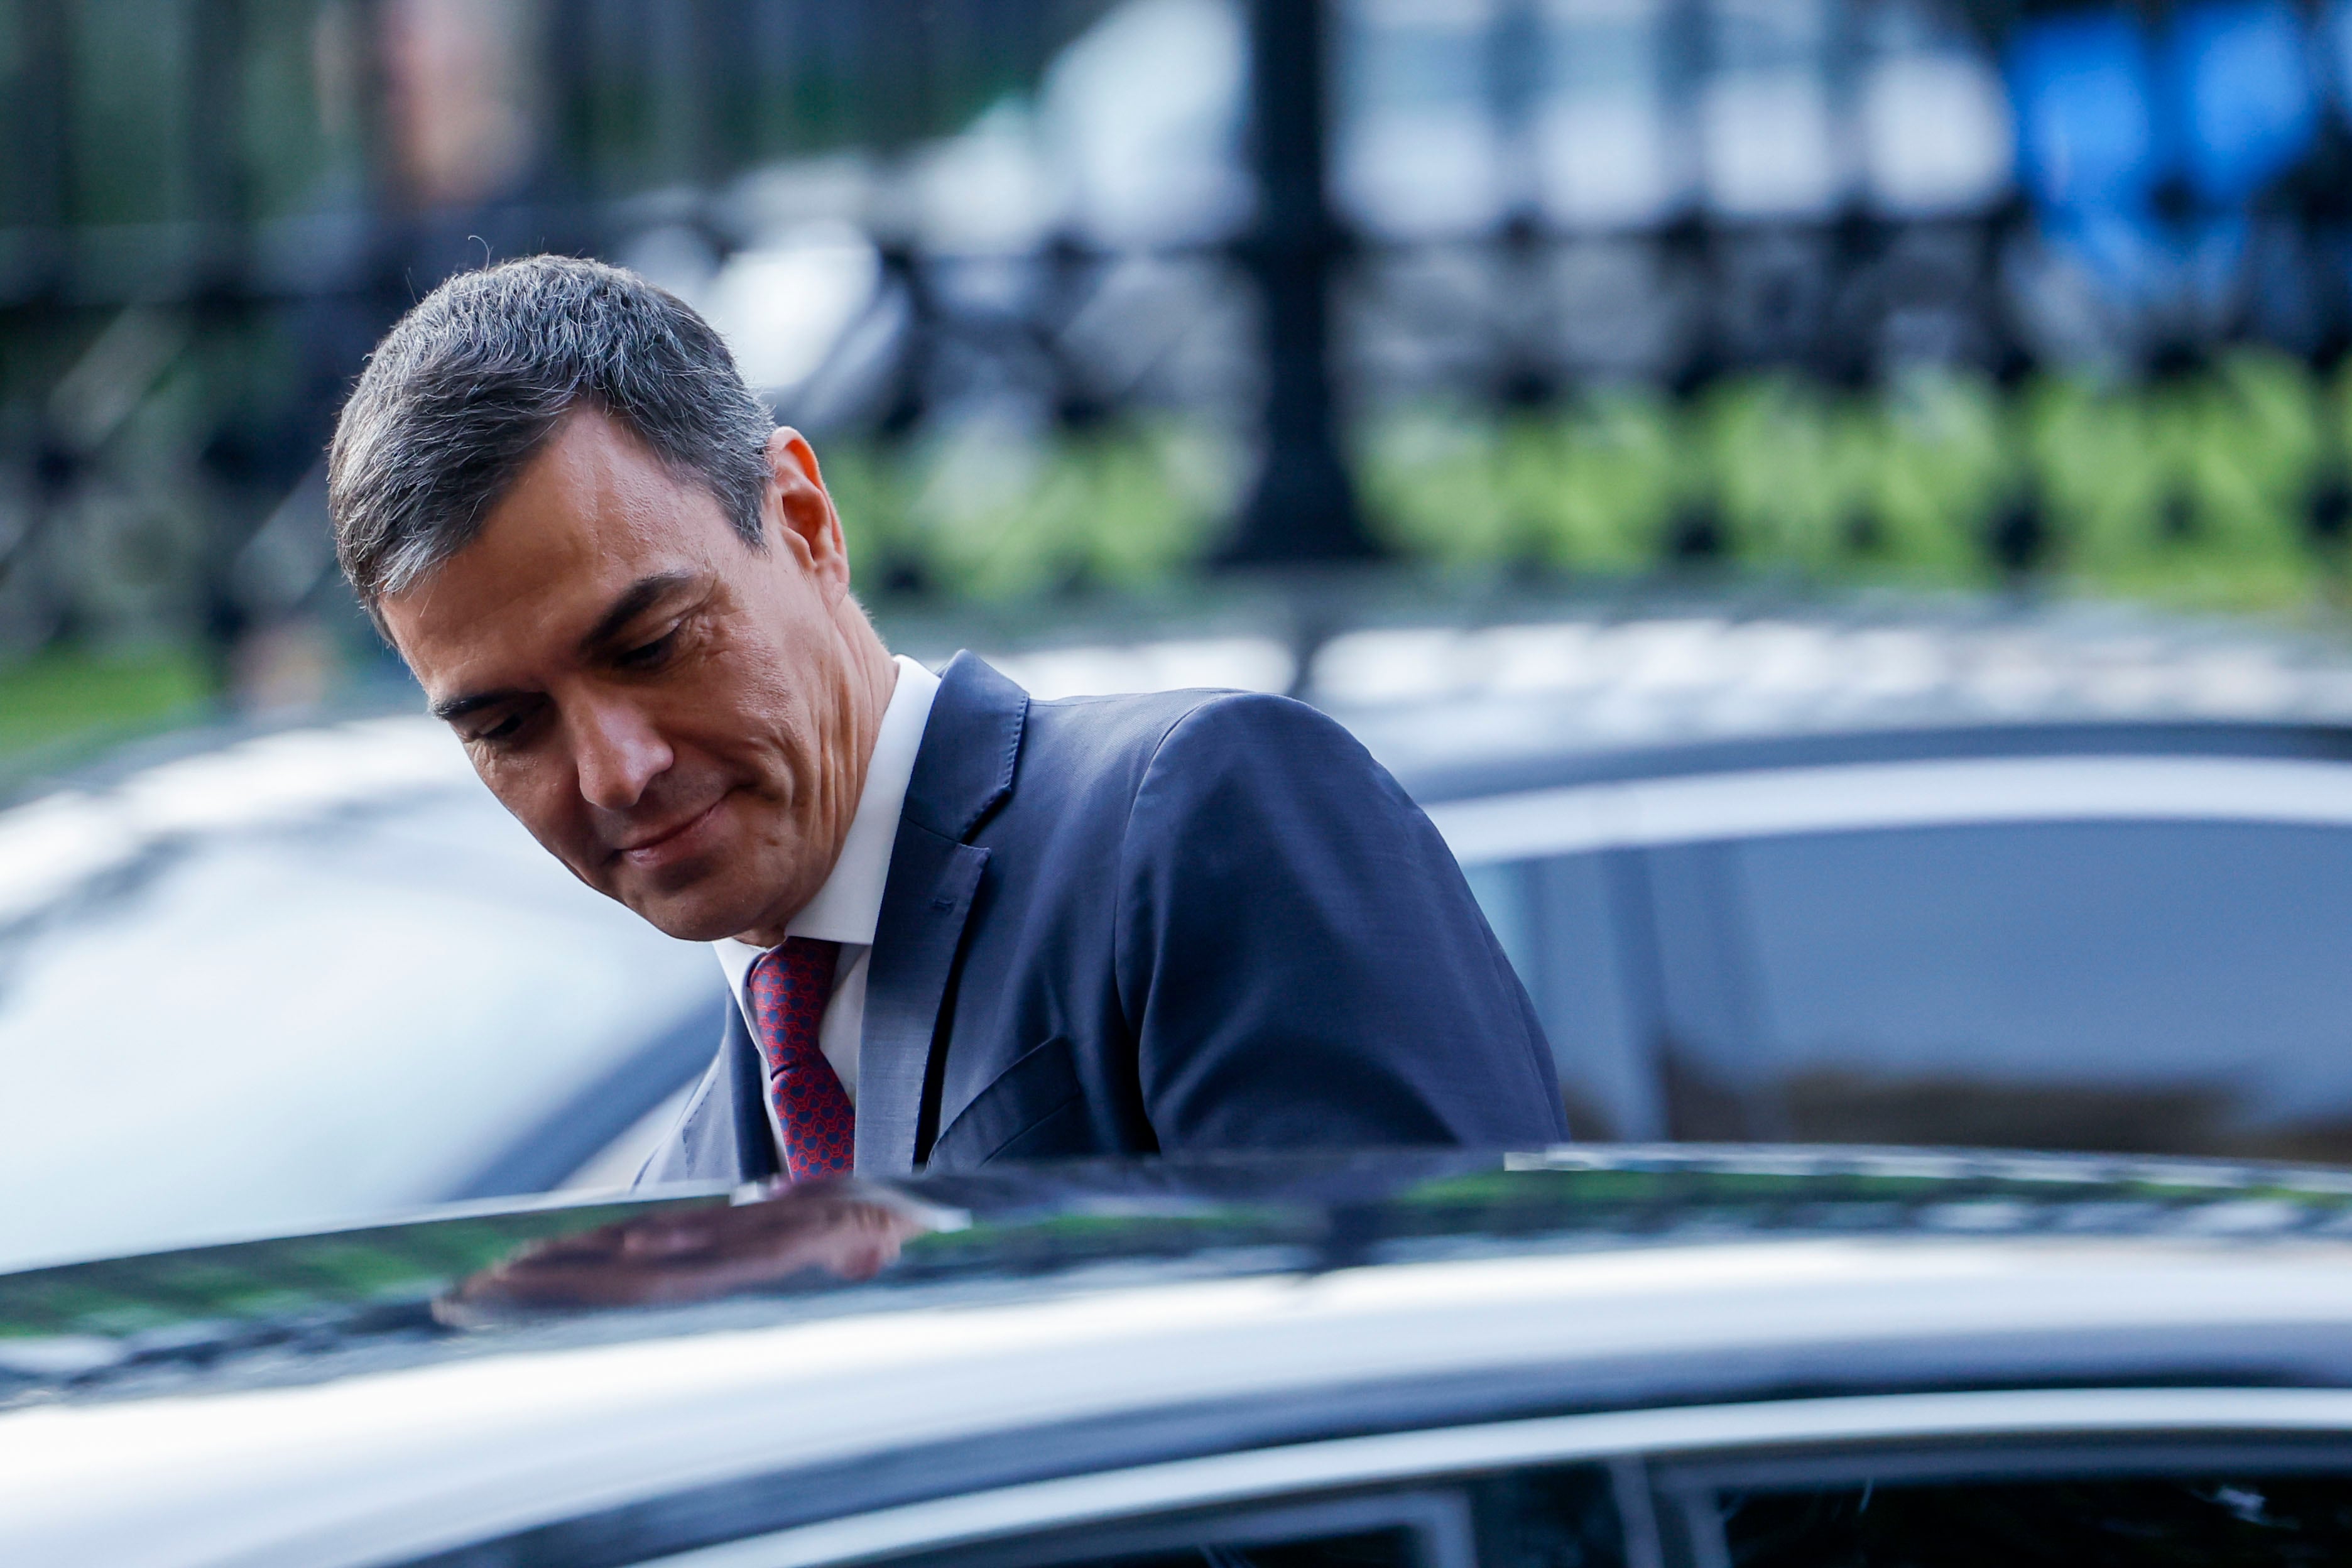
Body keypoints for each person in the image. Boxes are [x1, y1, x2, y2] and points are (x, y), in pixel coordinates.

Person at [327, 255, 1567, 1185]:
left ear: (805, 523)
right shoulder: (693, 1181)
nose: (614, 769)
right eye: (507, 726)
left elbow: (1445, 1442)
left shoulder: (1197, 819)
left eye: (651, 646)